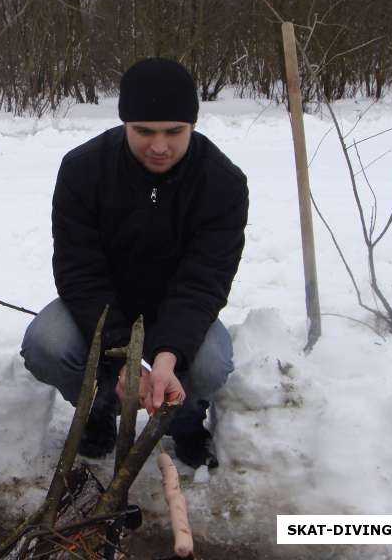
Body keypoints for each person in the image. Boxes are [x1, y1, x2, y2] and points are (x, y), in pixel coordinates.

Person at [21, 58, 248, 468]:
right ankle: (99, 405)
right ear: (124, 122)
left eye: (173, 132)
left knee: (212, 363)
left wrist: (167, 356)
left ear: (193, 125)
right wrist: (123, 352)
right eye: (144, 131)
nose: (159, 146)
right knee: (45, 344)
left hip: (178, 306)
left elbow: (205, 279)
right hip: (102, 305)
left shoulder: (223, 182)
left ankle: (183, 419)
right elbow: (78, 270)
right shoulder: (83, 170)